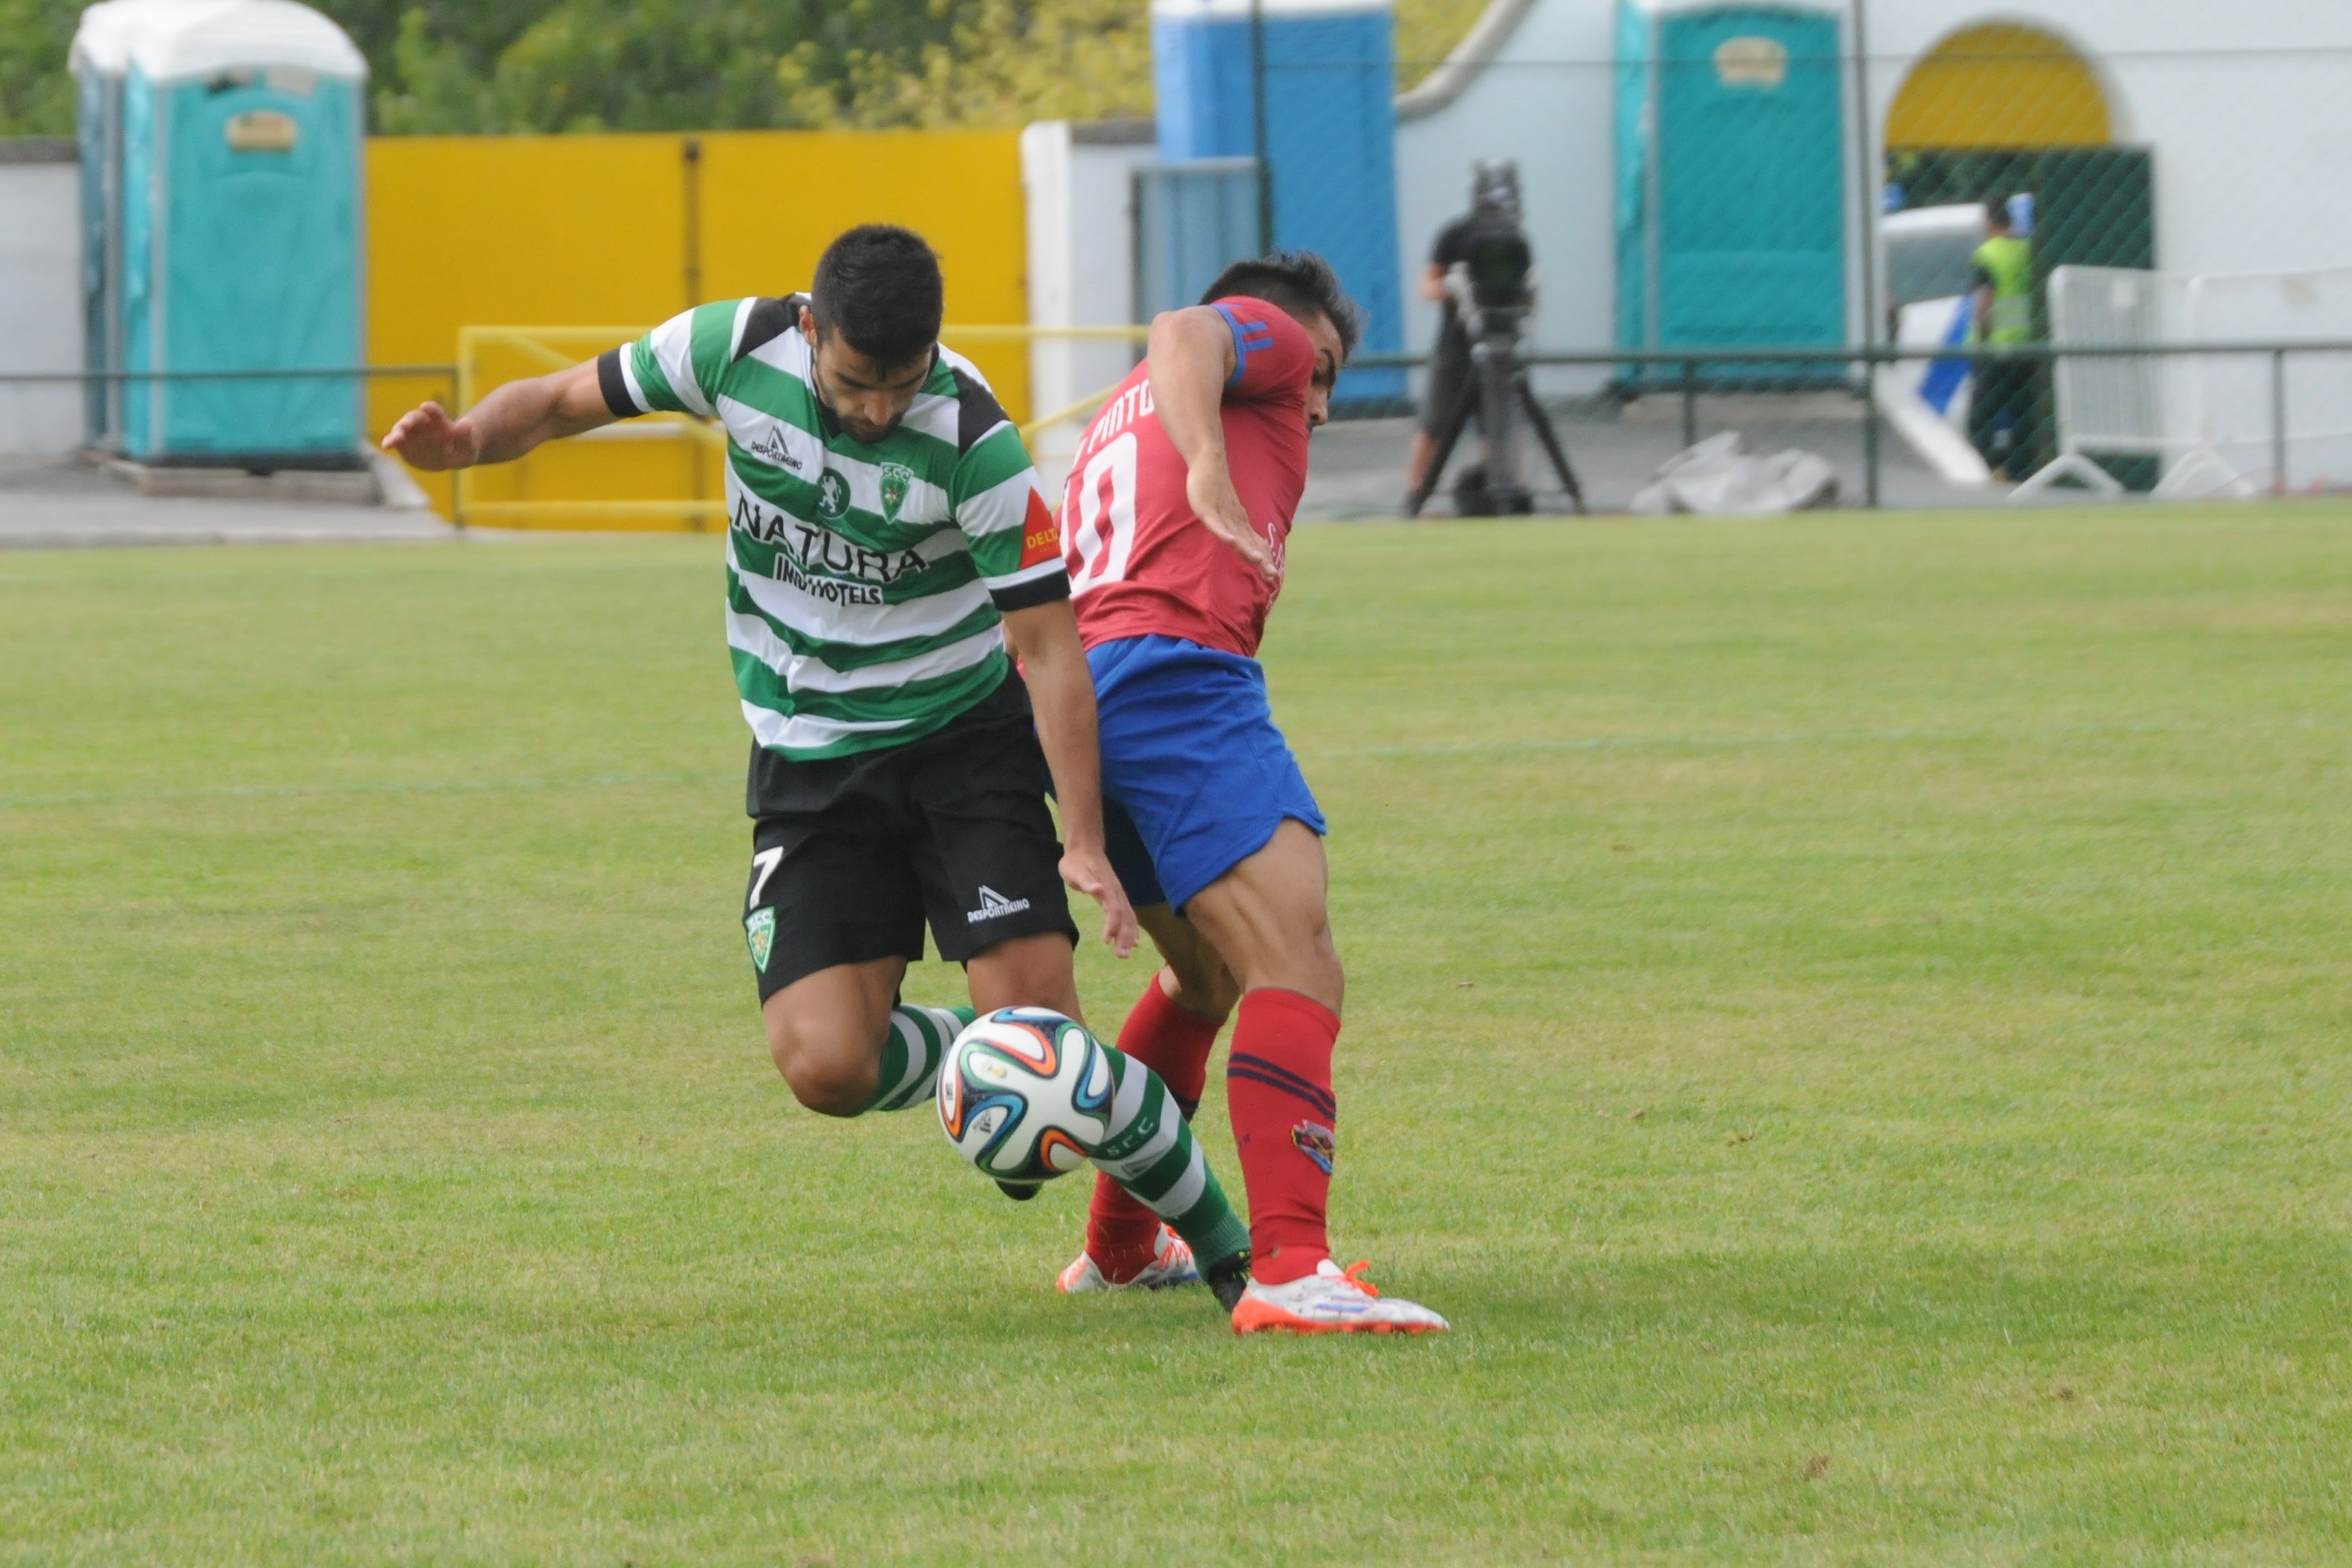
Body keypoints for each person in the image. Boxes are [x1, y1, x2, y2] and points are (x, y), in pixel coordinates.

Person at [380, 224, 1253, 1304]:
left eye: (901, 382)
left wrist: (1081, 841)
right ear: (809, 328)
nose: (880, 409)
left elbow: (1048, 650)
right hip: (810, 757)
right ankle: (977, 1054)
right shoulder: (729, 349)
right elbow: (562, 399)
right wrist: (465, 441)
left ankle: (1226, 1250)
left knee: (1050, 1071)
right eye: (854, 381)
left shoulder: (974, 439)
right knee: (828, 1068)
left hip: (960, 745)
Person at [1053, 252, 1449, 1335]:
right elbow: (1183, 328)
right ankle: (1289, 1264)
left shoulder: (1117, 418)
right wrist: (1206, 466)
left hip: (1091, 691)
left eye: (1324, 387)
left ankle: (1122, 1245)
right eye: (1315, 369)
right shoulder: (1244, 348)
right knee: (1297, 955)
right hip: (1175, 673)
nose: (1312, 401)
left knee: (1207, 977)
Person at [1403, 206, 1479, 501]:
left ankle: (1500, 490)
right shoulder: (1456, 234)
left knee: (1500, 427)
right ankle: (1416, 494)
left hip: (1501, 338)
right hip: (1455, 344)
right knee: (1434, 422)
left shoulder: (1513, 238)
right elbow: (1427, 285)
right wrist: (1454, 287)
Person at [1968, 196, 2038, 478]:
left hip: (1995, 347)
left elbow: (1984, 302)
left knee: (1981, 417)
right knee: (2022, 415)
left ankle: (1983, 470)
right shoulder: (2026, 251)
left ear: (1988, 220)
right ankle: (2021, 471)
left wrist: (1981, 337)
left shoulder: (1987, 254)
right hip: (2026, 346)